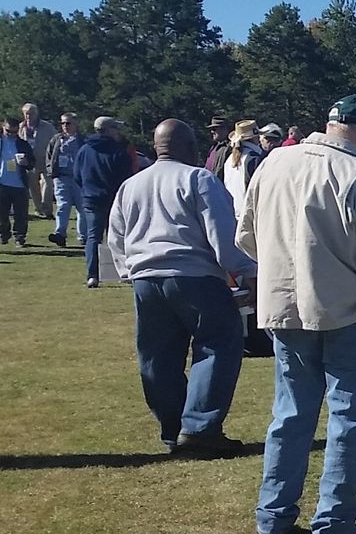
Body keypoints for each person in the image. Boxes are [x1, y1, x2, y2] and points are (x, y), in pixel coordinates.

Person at [237, 93, 356, 534]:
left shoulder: (274, 164)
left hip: (284, 312)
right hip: (347, 315)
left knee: (289, 415)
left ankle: (273, 515)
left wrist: (286, 271)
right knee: (350, 419)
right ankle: (334, 524)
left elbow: (247, 236)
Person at [104, 119, 259, 456]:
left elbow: (115, 236)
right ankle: (200, 427)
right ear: (189, 147)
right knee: (218, 344)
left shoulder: (131, 185)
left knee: (158, 356)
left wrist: (129, 271)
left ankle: (173, 427)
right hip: (196, 276)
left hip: (146, 279)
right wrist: (248, 271)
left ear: (156, 147)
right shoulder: (198, 179)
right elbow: (223, 235)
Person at [74, 116, 134, 286]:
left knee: (93, 237)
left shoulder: (84, 149)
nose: (118, 132)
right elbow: (127, 178)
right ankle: (120, 272)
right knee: (116, 237)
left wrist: (87, 190)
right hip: (113, 199)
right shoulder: (118, 151)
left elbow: (77, 175)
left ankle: (92, 275)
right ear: (108, 130)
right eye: (115, 128)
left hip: (91, 199)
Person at [45, 113, 83, 246]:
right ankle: (60, 235)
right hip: (61, 178)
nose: (65, 126)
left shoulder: (83, 140)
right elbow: (49, 157)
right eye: (62, 123)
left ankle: (83, 236)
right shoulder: (56, 139)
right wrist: (52, 173)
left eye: (68, 123)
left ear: (76, 124)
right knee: (62, 206)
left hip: (79, 179)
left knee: (82, 207)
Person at [217, 120, 264, 213]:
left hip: (233, 212)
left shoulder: (229, 159)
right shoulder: (253, 159)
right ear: (255, 137)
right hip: (250, 213)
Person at [19, 104, 57, 218]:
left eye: (31, 113)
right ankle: (38, 209)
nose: (28, 116)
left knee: (48, 184)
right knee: (33, 185)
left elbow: (56, 141)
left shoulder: (47, 127)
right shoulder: (21, 127)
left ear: (36, 114)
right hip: (30, 161)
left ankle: (47, 210)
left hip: (46, 159)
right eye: (26, 113)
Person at [0, 115, 32, 247]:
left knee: (20, 214)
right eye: (9, 131)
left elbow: (32, 163)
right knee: (2, 214)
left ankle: (19, 237)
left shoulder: (23, 144)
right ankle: (3, 234)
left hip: (19, 184)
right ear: (3, 127)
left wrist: (26, 162)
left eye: (15, 132)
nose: (12, 135)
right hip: (2, 183)